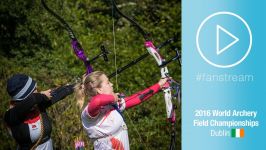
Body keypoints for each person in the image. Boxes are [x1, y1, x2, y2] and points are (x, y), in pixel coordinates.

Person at [76, 71, 170, 150]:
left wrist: (159, 85)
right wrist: (113, 97)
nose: (111, 84)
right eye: (108, 82)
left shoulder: (112, 106)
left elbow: (137, 98)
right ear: (99, 89)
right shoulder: (88, 113)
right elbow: (97, 101)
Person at [4, 74, 74, 150]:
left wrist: (74, 86)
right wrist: (41, 96)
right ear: (25, 96)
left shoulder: (37, 105)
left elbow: (58, 94)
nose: (38, 90)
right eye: (34, 90)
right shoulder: (11, 115)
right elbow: (33, 99)